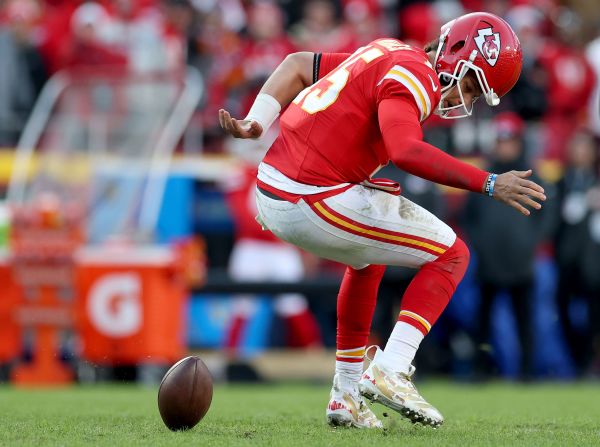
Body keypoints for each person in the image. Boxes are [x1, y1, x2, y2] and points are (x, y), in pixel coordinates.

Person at [219, 12, 546, 429]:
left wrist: (257, 120)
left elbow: (298, 64)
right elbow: (406, 150)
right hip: (310, 194)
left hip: (279, 185)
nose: (464, 97)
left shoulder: (388, 50)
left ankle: (346, 395)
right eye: (470, 83)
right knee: (453, 254)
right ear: (457, 51)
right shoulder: (417, 72)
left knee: (368, 258)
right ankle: (391, 367)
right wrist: (489, 182)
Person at [462, 112, 548, 380]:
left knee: (524, 320)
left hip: (520, 262)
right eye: (500, 140)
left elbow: (547, 215)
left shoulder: (534, 176)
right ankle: (482, 369)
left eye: (509, 140)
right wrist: (482, 244)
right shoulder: (483, 176)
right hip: (489, 262)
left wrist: (529, 243)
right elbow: (468, 218)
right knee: (483, 322)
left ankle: (526, 372)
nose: (504, 146)